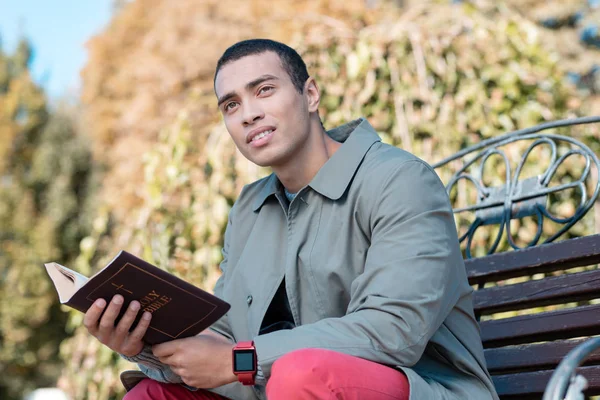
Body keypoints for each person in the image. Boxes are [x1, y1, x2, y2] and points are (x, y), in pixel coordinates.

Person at [83, 39, 499, 400]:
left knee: (300, 378)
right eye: (231, 105)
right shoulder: (249, 208)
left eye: (264, 90)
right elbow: (226, 335)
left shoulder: (399, 180)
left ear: (310, 94)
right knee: (153, 395)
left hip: (420, 389)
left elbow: (393, 331)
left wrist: (240, 360)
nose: (248, 114)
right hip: (278, 389)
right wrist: (143, 343)